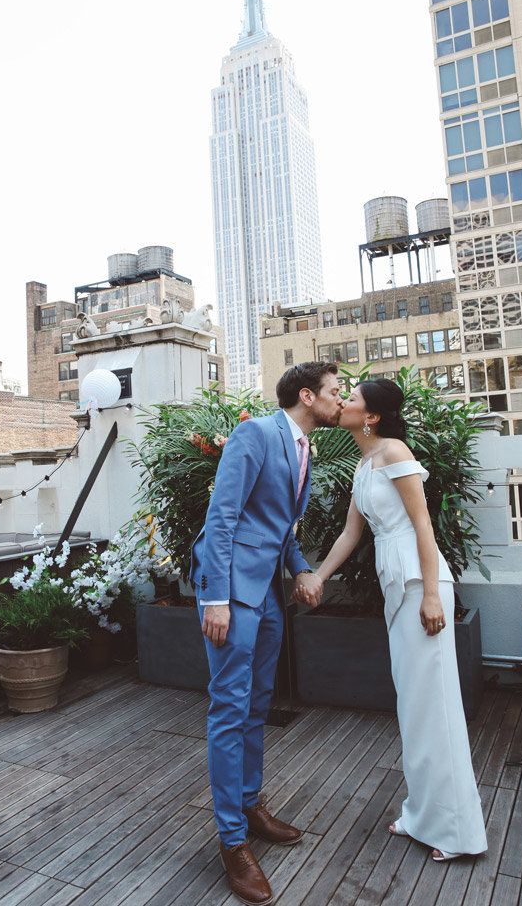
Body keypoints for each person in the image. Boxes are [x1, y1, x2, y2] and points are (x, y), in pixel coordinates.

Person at [293, 378, 487, 863]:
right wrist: (316, 576)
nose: (342, 402)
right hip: (395, 583)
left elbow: (423, 522)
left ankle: (455, 831)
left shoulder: (395, 450)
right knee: (414, 704)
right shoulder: (363, 463)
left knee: (434, 705)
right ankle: (424, 813)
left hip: (421, 585)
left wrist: (432, 597)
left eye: (351, 398)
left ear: (372, 416)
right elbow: (349, 534)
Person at [190, 362, 343, 905]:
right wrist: (214, 598)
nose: (340, 399)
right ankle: (232, 841)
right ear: (307, 395)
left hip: (270, 595)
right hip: (232, 596)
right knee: (230, 711)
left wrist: (302, 567)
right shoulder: (256, 433)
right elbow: (223, 518)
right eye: (334, 391)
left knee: (257, 705)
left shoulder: (302, 447)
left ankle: (250, 806)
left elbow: (277, 524)